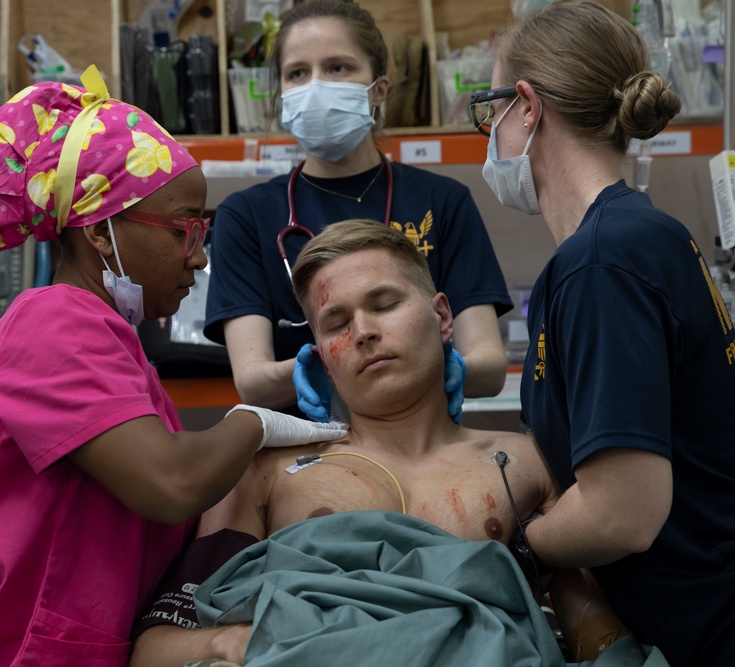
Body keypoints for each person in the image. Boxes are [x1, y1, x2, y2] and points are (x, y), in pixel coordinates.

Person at [0, 68, 345, 667]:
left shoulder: (112, 340)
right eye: (185, 230)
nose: (200, 258)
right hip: (18, 649)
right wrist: (256, 424)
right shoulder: (52, 324)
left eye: (204, 230)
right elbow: (171, 483)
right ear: (99, 231)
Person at [475, 2, 735, 666]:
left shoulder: (600, 263)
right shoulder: (639, 233)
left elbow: (624, 511)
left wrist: (524, 544)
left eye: (491, 110)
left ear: (527, 107)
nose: (489, 133)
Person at [129, 220, 657, 667]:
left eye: (384, 304)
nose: (362, 332)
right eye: (336, 321)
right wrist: (229, 641)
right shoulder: (263, 472)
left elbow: (597, 641)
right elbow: (155, 646)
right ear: (321, 355)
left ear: (443, 316)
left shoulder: (527, 461)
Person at [205, 0, 513, 422]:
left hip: (425, 446)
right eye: (297, 73)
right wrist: (355, 364)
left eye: (338, 68)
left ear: (379, 89)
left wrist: (407, 367)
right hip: (305, 455)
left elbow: (489, 366)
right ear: (281, 94)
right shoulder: (245, 215)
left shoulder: (442, 200)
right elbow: (253, 381)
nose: (316, 86)